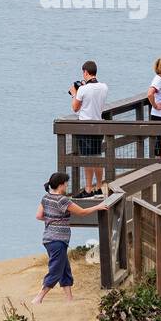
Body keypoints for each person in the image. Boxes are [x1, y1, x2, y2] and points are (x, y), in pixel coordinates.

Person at [33, 172, 107, 305]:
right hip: (58, 240)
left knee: (64, 268)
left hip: (48, 239)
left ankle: (69, 299)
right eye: (66, 183)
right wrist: (98, 206)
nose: (67, 186)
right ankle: (39, 297)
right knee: (55, 269)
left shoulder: (46, 197)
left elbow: (39, 216)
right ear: (61, 185)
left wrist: (52, 219)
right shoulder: (62, 200)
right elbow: (82, 212)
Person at [69, 61, 108, 198]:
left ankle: (88, 188)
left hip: (85, 126)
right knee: (97, 156)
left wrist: (74, 93)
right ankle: (99, 186)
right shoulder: (104, 87)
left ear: (85, 72)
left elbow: (75, 108)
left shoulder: (83, 90)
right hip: (98, 125)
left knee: (87, 158)